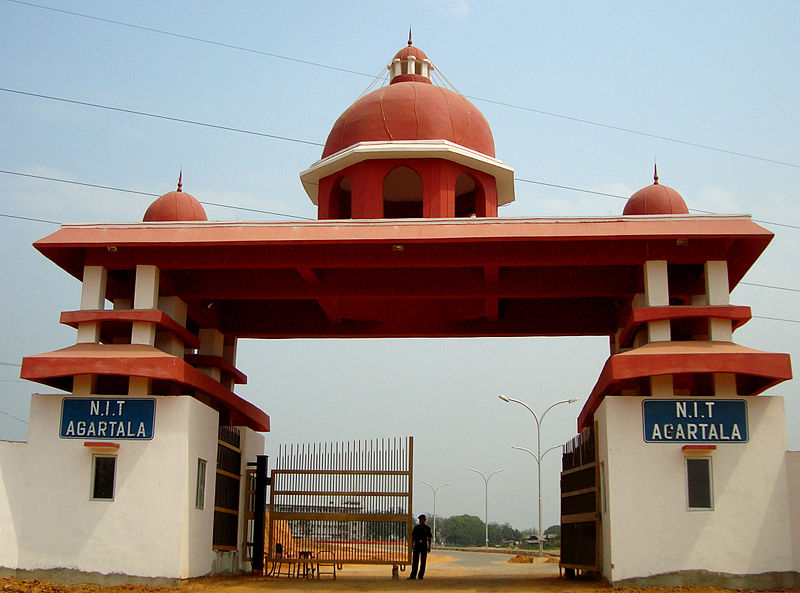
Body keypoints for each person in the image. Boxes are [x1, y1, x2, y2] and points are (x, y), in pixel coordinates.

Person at [408, 514, 432, 580]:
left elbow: (429, 538)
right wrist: (412, 545)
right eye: (420, 519)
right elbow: (413, 537)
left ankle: (421, 575)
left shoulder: (427, 528)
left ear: (424, 520)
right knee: (415, 561)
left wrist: (429, 546)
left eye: (422, 519)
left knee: (423, 561)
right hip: (417, 545)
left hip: (424, 545)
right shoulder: (416, 528)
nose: (421, 520)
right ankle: (413, 575)